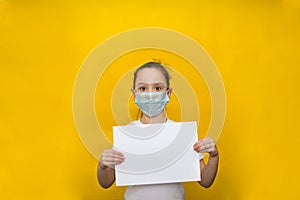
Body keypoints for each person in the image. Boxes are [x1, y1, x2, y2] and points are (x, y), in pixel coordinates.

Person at [97, 62, 219, 199]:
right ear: (134, 94)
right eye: (143, 88)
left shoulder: (180, 134)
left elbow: (205, 181)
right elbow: (106, 182)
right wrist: (102, 166)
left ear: (169, 93)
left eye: (157, 88)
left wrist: (214, 156)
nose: (150, 94)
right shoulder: (127, 134)